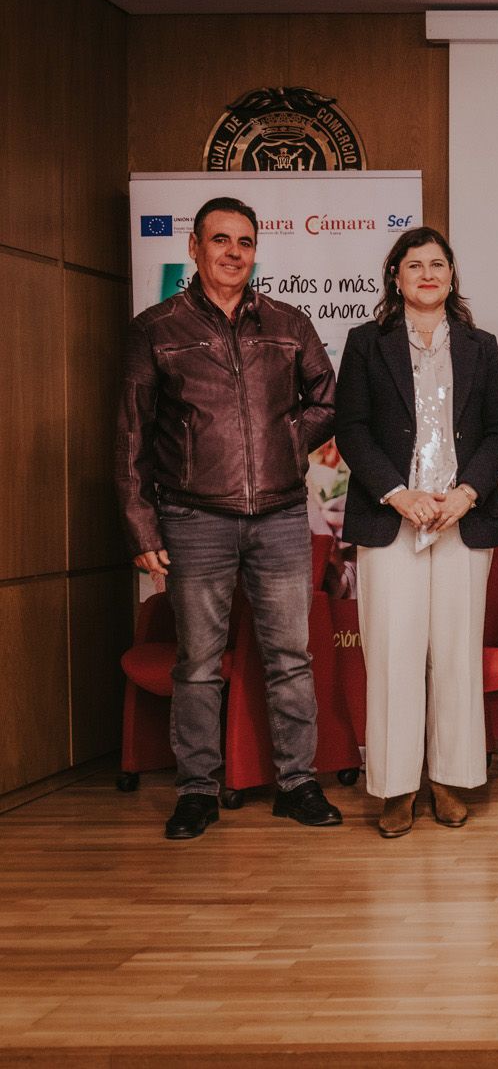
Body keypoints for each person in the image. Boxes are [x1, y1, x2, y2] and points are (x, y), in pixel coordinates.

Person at [115, 196, 342, 840]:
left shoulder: (288, 323)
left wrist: (283, 437)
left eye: (244, 242)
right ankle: (196, 790)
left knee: (289, 657)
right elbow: (131, 435)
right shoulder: (155, 328)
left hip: (278, 514)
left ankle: (297, 783)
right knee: (196, 662)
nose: (233, 253)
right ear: (194, 247)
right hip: (192, 517)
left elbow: (328, 399)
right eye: (220, 240)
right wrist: (141, 524)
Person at [335, 227, 498, 838]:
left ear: (451, 275)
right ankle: (395, 787)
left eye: (438, 264)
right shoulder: (365, 344)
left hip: (462, 518)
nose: (428, 274)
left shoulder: (481, 346)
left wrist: (466, 494)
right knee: (393, 655)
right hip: (393, 518)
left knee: (456, 654)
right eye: (415, 266)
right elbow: (352, 428)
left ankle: (448, 779)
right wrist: (398, 493)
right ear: (397, 277)